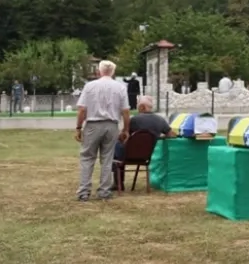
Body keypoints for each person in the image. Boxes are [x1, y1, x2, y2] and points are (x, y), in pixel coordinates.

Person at [74, 60, 131, 201]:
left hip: (93, 124)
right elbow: (125, 111)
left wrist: (79, 127)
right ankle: (104, 191)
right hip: (111, 124)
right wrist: (126, 129)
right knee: (107, 158)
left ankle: (84, 191)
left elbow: (82, 109)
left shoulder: (90, 86)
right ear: (113, 72)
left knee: (87, 157)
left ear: (99, 71)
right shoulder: (120, 87)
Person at [114, 95, 176, 162]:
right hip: (150, 155)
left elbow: (123, 136)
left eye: (138, 106)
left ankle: (114, 170)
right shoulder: (161, 120)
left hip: (130, 154)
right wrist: (160, 137)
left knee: (114, 143)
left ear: (142, 107)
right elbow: (172, 135)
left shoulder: (134, 120)